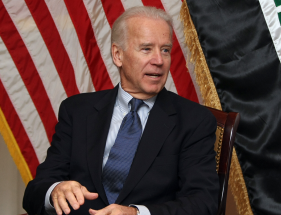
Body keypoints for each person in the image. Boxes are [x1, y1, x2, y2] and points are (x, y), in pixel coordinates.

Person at [23, 6, 219, 215]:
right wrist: (55, 191)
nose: (159, 60)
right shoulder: (77, 111)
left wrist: (136, 213)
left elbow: (203, 203)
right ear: (118, 55)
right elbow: (35, 191)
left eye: (165, 50)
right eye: (146, 49)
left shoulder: (194, 120)